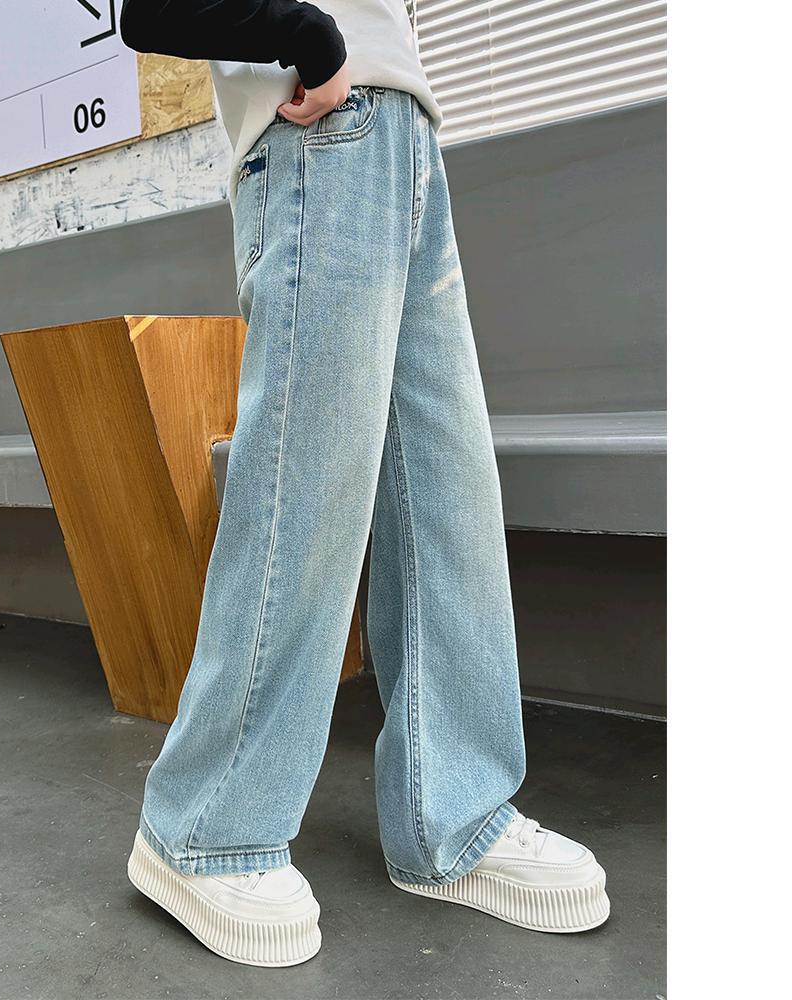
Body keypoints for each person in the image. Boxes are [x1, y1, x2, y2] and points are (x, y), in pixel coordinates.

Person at [119, 0, 610, 967]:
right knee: (305, 498)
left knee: (451, 505)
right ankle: (204, 828)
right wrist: (304, 36)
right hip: (320, 135)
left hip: (407, 143)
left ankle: (450, 816)